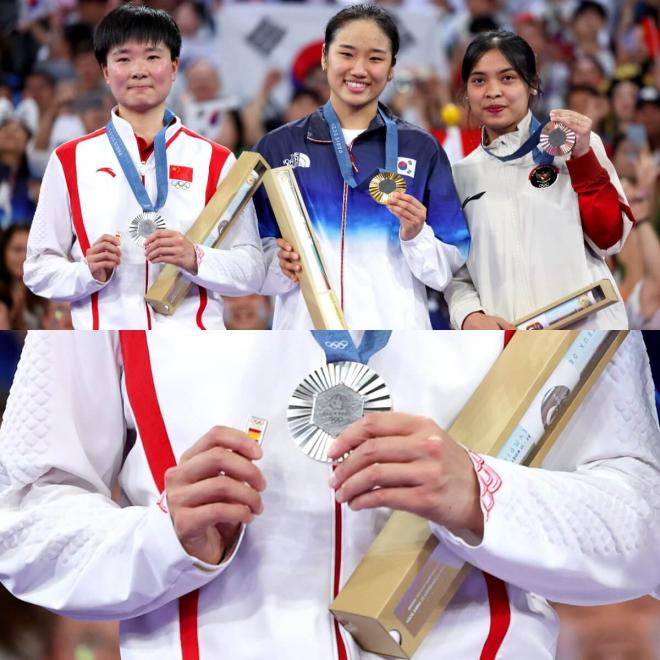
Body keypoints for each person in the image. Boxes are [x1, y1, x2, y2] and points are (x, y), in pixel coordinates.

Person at [0, 330, 659, 660]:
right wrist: (160, 540)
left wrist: (487, 495)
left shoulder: (531, 236)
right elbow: (24, 526)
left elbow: (645, 529)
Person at [22, 4, 264, 329]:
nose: (139, 70)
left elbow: (251, 270)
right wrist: (85, 272)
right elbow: (37, 268)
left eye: (152, 57)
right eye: (123, 59)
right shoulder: (70, 159)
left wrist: (196, 257)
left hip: (191, 346)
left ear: (175, 66)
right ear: (106, 71)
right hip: (105, 346)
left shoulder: (216, 160)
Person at [253, 4, 469, 329]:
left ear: (392, 68)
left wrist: (415, 235)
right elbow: (252, 253)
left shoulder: (421, 149)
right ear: (326, 57)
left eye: (375, 58)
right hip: (304, 336)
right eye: (347, 54)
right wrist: (275, 262)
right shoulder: (278, 147)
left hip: (398, 339)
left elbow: (445, 269)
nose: (359, 69)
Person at [444, 31, 633, 329]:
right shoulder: (460, 175)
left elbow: (609, 240)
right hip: (515, 341)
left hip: (589, 330)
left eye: (507, 78)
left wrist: (582, 156)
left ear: (532, 84)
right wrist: (469, 315)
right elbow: (456, 272)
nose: (493, 91)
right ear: (466, 92)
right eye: (479, 80)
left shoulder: (575, 145)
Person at [0, 224, 46, 329]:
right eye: (17, 250)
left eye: (30, 251)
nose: (24, 257)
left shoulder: (48, 294)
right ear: (3, 253)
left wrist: (58, 314)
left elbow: (59, 316)